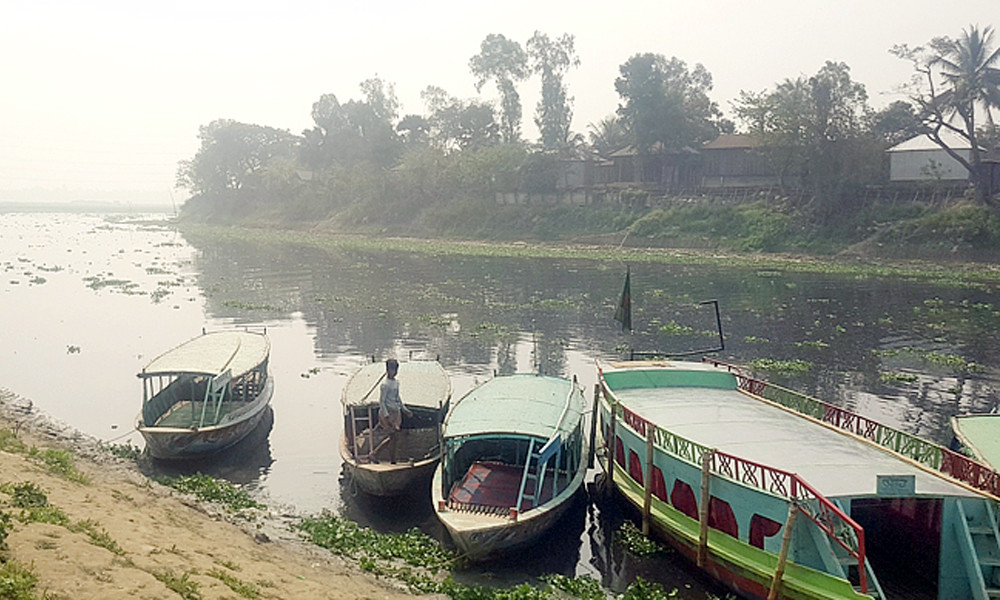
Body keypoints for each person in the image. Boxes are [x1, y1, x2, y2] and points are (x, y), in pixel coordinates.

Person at [376, 358, 412, 462]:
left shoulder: (396, 383)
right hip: (388, 413)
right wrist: (386, 416)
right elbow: (382, 402)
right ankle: (377, 454)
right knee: (393, 436)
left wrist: (404, 409)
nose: (394, 372)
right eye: (393, 370)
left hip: (396, 413)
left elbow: (397, 398)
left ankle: (390, 458)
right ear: (387, 370)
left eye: (396, 370)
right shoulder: (385, 385)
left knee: (394, 437)